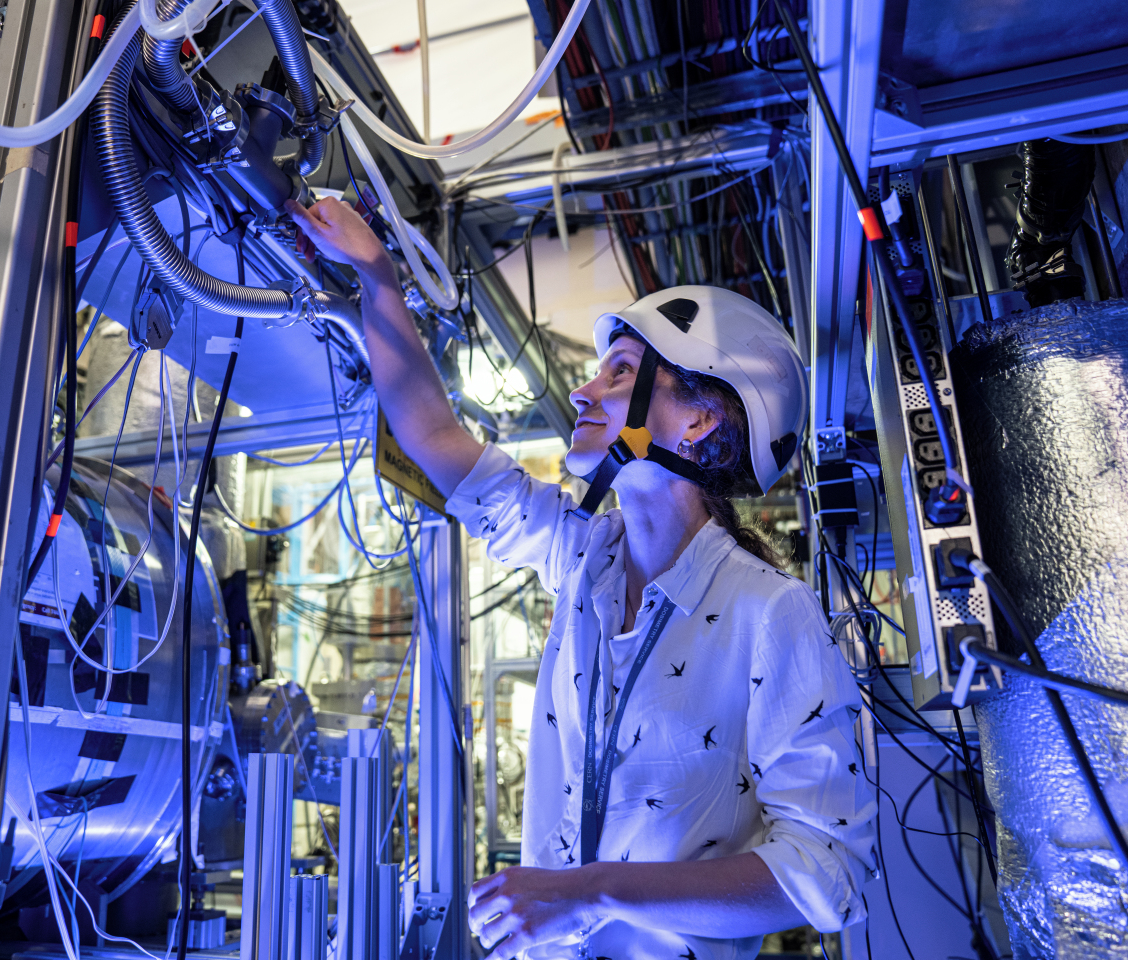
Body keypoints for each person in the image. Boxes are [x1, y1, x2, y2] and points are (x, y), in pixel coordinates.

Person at [286, 196, 877, 960]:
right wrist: (377, 279)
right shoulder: (581, 562)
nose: (584, 390)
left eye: (622, 371)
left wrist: (588, 891)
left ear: (700, 422)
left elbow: (825, 875)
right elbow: (432, 435)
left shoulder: (771, 613)